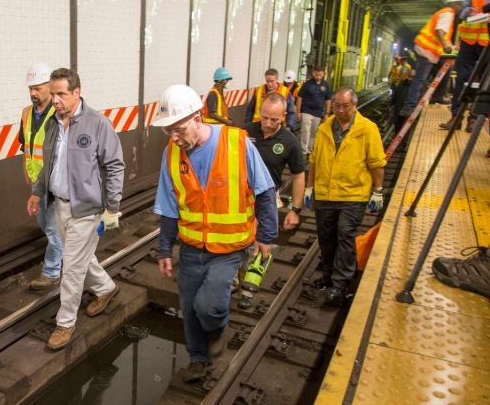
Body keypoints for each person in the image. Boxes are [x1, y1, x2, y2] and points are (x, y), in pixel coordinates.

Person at [152, 85, 278, 382]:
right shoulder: (171, 153)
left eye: (179, 129)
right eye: (168, 131)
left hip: (230, 248)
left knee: (209, 306)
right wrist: (164, 249)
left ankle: (219, 328)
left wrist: (267, 235)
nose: (174, 137)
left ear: (198, 117)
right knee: (189, 307)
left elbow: (264, 190)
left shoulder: (237, 144)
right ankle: (198, 359)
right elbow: (169, 206)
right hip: (192, 246)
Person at [27, 68, 125, 350]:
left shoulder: (97, 124)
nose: (55, 100)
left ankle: (65, 322)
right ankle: (106, 289)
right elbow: (48, 165)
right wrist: (37, 193)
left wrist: (113, 207)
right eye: (53, 93)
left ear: (76, 93)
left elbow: (115, 166)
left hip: (88, 209)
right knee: (80, 258)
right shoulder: (52, 124)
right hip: (59, 205)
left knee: (71, 267)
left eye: (61, 94)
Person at [304, 87, 386, 305]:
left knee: (345, 235)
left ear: (354, 105)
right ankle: (328, 275)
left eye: (345, 106)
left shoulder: (368, 129)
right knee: (326, 238)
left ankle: (341, 285)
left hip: (353, 195)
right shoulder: (324, 128)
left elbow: (377, 164)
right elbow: (314, 160)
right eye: (337, 105)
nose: (340, 110)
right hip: (325, 194)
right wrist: (309, 187)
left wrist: (378, 191)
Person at [240, 93, 305, 309]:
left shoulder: (290, 142)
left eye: (274, 120)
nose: (267, 124)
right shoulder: (245, 132)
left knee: (261, 245)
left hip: (267, 200)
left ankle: (248, 287)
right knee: (237, 242)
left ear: (284, 117)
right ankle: (232, 279)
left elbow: (298, 175)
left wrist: (295, 209)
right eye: (264, 117)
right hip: (239, 199)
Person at [19, 63, 63, 290]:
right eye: (30, 89)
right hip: (36, 180)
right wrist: (25, 169)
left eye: (38, 88)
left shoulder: (59, 113)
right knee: (44, 223)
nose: (34, 93)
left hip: (54, 181)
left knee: (53, 227)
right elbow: (24, 144)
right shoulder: (26, 113)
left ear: (49, 86)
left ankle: (52, 271)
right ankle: (64, 254)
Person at [398, 0, 464, 119]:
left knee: (445, 69)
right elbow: (440, 30)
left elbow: (444, 36)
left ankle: (437, 96)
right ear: (455, 4)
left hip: (429, 51)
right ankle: (409, 107)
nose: (461, 8)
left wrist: (452, 47)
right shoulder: (448, 12)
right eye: (461, 5)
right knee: (420, 78)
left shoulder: (445, 13)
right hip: (427, 50)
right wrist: (445, 45)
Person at [442, 0, 489, 131]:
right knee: (461, 78)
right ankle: (456, 117)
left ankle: (474, 120)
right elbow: (465, 8)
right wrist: (467, 11)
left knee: (484, 83)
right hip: (469, 40)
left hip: (487, 41)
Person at [295, 68, 332, 156]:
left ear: (323, 74)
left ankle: (310, 150)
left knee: (313, 132)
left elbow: (328, 99)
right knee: (305, 130)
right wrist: (298, 112)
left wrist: (327, 113)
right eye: (316, 74)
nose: (318, 76)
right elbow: (300, 98)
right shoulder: (307, 84)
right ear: (313, 74)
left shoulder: (325, 85)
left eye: (320, 74)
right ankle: (303, 150)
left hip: (318, 113)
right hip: (307, 111)